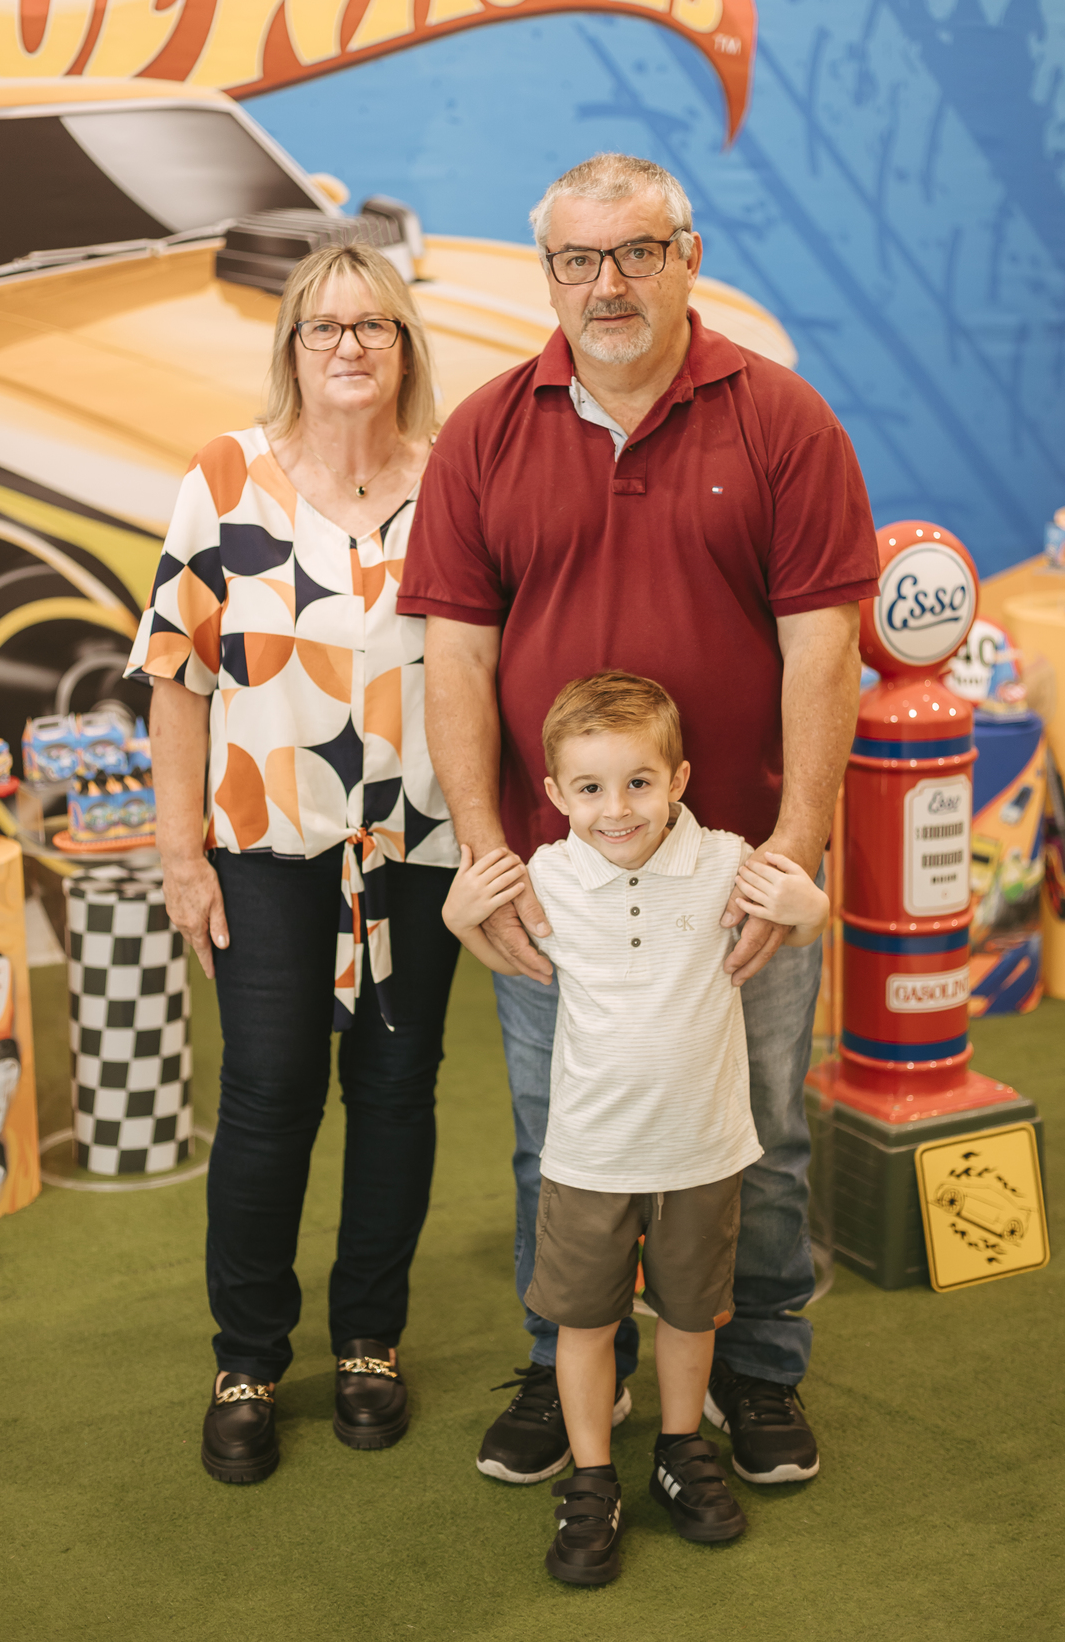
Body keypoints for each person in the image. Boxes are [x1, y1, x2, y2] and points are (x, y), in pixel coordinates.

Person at [397, 153, 879, 1488]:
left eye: (636, 253)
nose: (606, 284)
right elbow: (456, 661)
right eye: (578, 259)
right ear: (547, 271)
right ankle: (568, 1360)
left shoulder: (785, 422)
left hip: (736, 885)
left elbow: (824, 651)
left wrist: (796, 852)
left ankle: (758, 1367)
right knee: (559, 1132)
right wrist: (486, 858)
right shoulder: (484, 435)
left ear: (687, 256)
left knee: (761, 1137)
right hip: (559, 888)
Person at [128, 243, 460, 1485]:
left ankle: (370, 1339)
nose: (351, 347)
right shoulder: (225, 480)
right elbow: (177, 678)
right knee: (271, 1094)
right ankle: (248, 1361)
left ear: (405, 346)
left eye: (375, 326)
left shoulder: (457, 483)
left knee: (397, 1088)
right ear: (292, 349)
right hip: (265, 846)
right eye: (326, 328)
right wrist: (181, 852)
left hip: (420, 847)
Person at [443, 673, 829, 1583]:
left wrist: (809, 908)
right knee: (582, 1321)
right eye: (590, 787)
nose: (616, 809)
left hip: (703, 1149)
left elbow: (808, 915)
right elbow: (484, 932)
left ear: (679, 779)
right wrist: (460, 918)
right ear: (554, 793)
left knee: (692, 1316)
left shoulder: (728, 861)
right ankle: (591, 1474)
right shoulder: (546, 876)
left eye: (639, 783)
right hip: (589, 1157)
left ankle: (682, 1447)